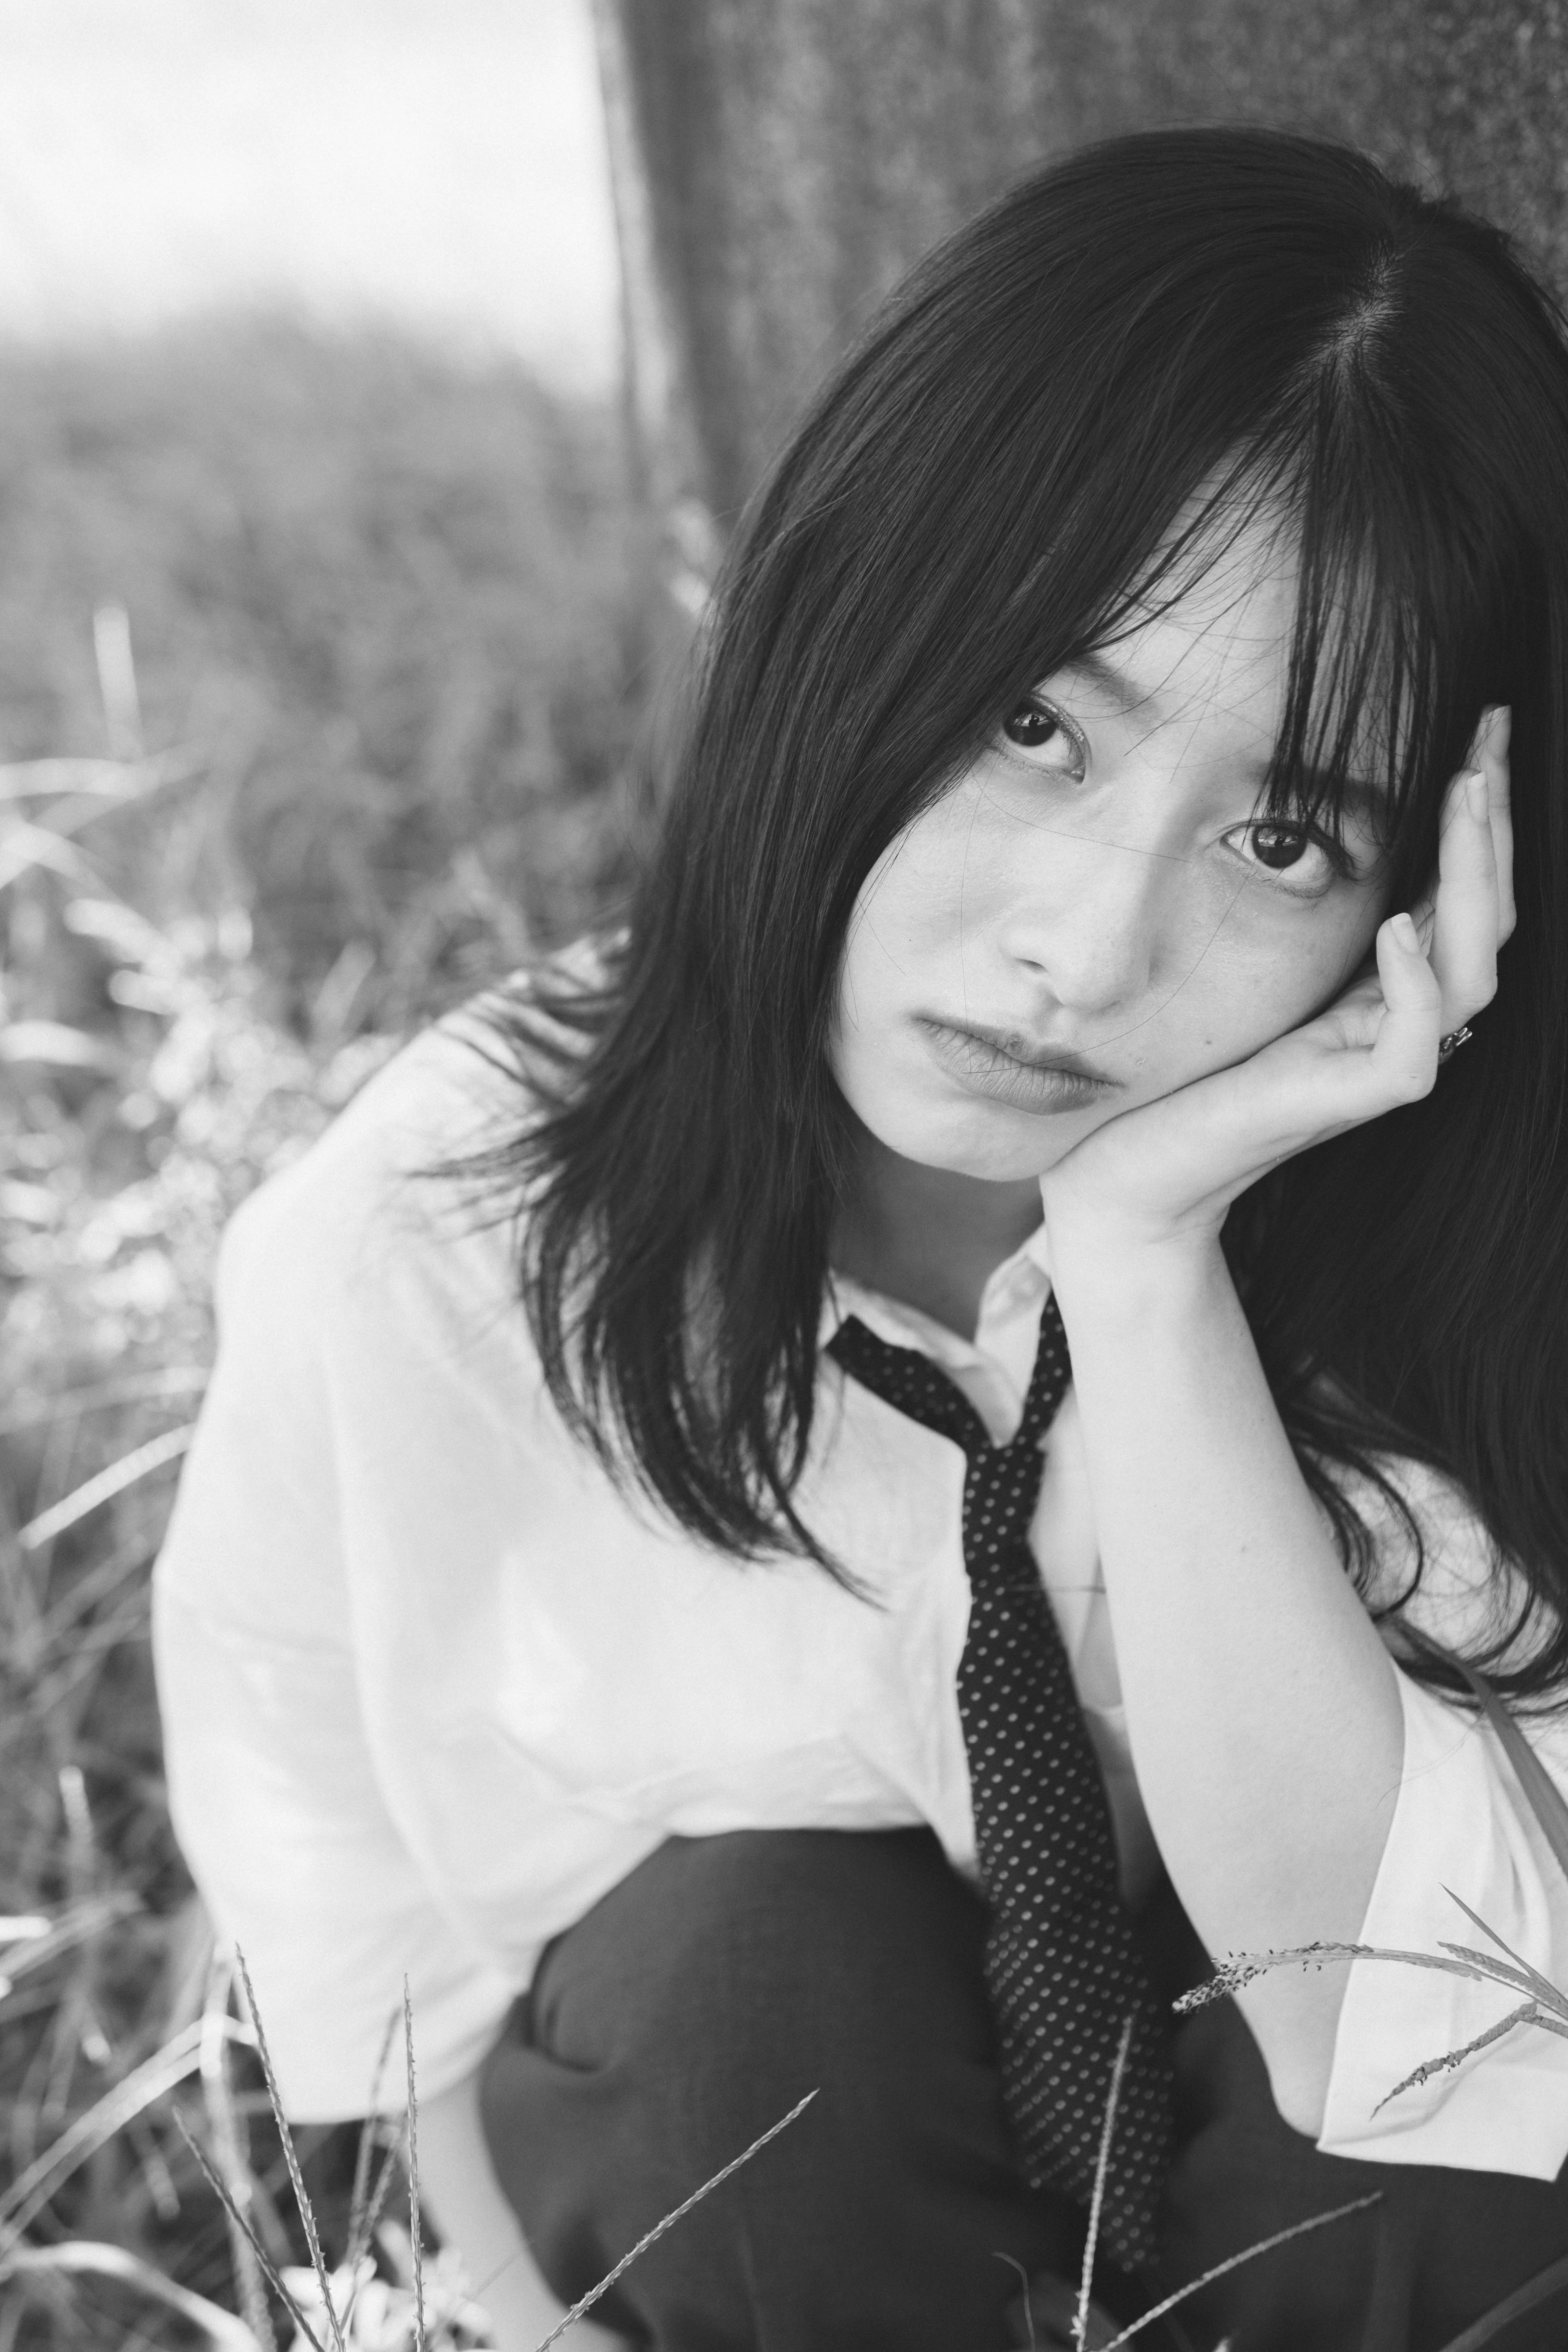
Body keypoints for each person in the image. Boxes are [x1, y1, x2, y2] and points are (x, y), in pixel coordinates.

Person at [153, 125, 1568, 2352]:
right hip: (795, 2205)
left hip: (1280, 2124)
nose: (1084, 951)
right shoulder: (429, 1240)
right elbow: (367, 1972)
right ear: (842, 613)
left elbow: (1408, 2032)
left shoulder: (1450, 1257)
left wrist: (1143, 1265)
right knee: (741, 2012)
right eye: (1034, 725)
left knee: (1463, 2151)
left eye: (1284, 834)